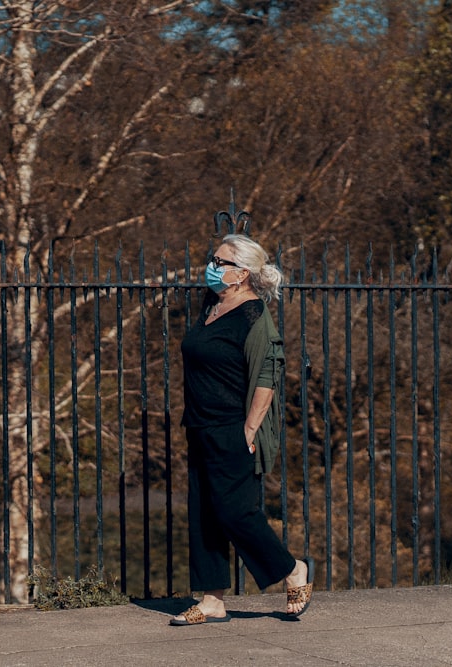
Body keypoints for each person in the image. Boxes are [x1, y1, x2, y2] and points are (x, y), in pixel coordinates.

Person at [169, 233, 313, 626]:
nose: (212, 266)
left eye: (221, 261)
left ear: (243, 273)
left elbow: (268, 373)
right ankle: (212, 601)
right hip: (200, 426)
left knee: (236, 512)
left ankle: (292, 570)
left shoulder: (254, 315)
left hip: (233, 428)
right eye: (212, 259)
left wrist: (250, 428)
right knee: (204, 514)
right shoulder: (211, 306)